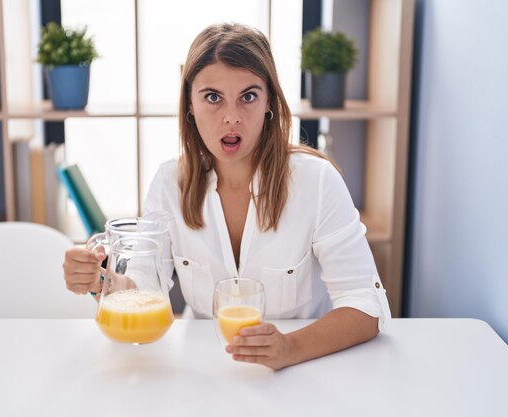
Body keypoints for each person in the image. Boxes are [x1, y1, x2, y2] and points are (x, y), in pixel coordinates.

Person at [62, 23, 391, 370]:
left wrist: (290, 348)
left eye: (248, 96)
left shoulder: (318, 181)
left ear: (269, 103)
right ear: (190, 104)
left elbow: (367, 305)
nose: (231, 118)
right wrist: (99, 281)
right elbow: (143, 285)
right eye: (212, 97)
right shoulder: (169, 182)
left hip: (304, 371)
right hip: (205, 368)